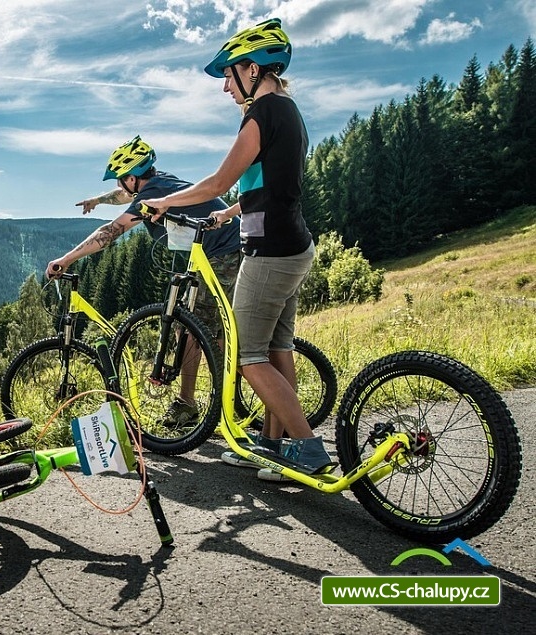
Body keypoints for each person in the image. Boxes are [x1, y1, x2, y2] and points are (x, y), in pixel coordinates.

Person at [143, 18, 334, 479]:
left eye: (229, 75)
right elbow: (268, 185)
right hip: (293, 243)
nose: (226, 86)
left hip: (269, 252)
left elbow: (219, 181)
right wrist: (227, 214)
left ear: (252, 69)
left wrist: (165, 202)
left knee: (247, 357)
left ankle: (307, 447)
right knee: (276, 348)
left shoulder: (261, 114)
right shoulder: (288, 112)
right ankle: (273, 445)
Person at [46, 135, 242, 426]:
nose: (119, 185)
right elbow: (123, 196)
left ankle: (195, 404)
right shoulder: (157, 184)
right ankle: (230, 396)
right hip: (213, 251)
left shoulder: (154, 193)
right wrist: (97, 200)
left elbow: (111, 232)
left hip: (224, 252)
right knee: (193, 326)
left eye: (120, 178)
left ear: (132, 178)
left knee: (194, 327)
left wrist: (67, 259)